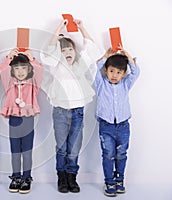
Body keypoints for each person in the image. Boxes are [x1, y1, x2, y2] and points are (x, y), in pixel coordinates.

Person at [40, 19, 101, 193]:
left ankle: (72, 176)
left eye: (70, 49)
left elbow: (92, 49)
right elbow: (47, 54)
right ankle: (62, 177)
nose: (67, 52)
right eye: (63, 50)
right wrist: (58, 29)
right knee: (61, 147)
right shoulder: (56, 65)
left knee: (74, 147)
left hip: (77, 111)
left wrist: (82, 27)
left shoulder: (80, 65)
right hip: (60, 110)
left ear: (75, 51)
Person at [95, 47, 140, 197]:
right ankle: (109, 181)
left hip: (123, 126)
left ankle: (119, 179)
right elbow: (92, 71)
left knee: (121, 153)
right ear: (106, 70)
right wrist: (105, 56)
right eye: (112, 71)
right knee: (108, 154)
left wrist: (126, 54)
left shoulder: (126, 84)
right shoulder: (101, 84)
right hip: (106, 126)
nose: (115, 75)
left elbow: (136, 72)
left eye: (119, 72)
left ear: (123, 74)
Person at [0, 48, 43, 194]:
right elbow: (3, 69)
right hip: (14, 120)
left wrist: (32, 58)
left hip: (28, 119)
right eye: (16, 68)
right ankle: (16, 177)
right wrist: (9, 57)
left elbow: (39, 71)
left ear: (29, 69)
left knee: (27, 151)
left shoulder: (33, 85)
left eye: (23, 67)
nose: (20, 71)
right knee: (15, 151)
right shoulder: (9, 84)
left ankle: (26, 178)